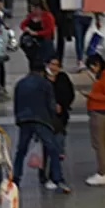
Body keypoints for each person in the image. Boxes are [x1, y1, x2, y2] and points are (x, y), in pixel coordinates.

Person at [11, 61, 68, 192]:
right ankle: (58, 178)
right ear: (43, 71)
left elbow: (16, 104)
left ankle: (16, 178)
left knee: (21, 150)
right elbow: (51, 105)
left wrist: (19, 119)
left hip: (24, 120)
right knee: (53, 149)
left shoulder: (20, 84)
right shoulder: (45, 84)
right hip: (42, 120)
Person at [83, 53, 105, 187]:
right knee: (101, 143)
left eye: (92, 67)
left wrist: (91, 95)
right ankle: (103, 170)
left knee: (99, 143)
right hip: (98, 112)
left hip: (100, 113)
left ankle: (102, 173)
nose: (92, 70)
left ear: (97, 64)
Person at [44, 57, 74, 185]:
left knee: (57, 145)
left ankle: (54, 173)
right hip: (46, 118)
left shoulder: (63, 78)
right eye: (52, 64)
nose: (54, 68)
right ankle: (46, 172)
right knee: (47, 146)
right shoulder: (42, 79)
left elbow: (70, 94)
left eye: (57, 65)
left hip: (60, 118)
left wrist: (62, 105)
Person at [19, 0, 55, 68]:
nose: (32, 10)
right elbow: (22, 24)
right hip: (33, 43)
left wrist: (37, 33)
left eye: (33, 8)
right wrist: (26, 29)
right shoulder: (31, 16)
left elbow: (50, 31)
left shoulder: (47, 16)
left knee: (43, 62)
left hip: (44, 42)